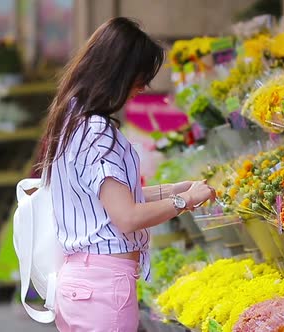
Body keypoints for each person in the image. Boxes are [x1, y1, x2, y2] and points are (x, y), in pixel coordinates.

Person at [38, 17, 216, 332]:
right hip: (105, 288)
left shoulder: (70, 118)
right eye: (140, 77)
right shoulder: (97, 130)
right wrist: (184, 200)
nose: (143, 88)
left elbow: (109, 202)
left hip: (80, 283)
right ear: (119, 73)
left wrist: (174, 188)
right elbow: (127, 217)